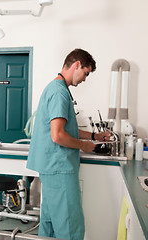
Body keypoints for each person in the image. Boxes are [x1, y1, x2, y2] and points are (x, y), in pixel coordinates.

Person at [26, 48, 110, 239]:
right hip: (59, 169)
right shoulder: (59, 93)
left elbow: (65, 129)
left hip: (51, 169)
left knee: (50, 224)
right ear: (77, 65)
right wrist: (84, 145)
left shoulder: (54, 88)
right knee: (70, 226)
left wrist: (94, 137)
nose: (85, 79)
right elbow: (58, 136)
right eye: (86, 73)